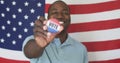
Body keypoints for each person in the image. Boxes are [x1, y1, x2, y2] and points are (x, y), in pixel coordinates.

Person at [22, 1, 88, 63]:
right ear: (48, 18)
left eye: (65, 13)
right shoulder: (34, 40)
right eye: (54, 13)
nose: (60, 16)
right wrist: (39, 45)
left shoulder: (81, 49)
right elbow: (29, 53)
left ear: (70, 18)